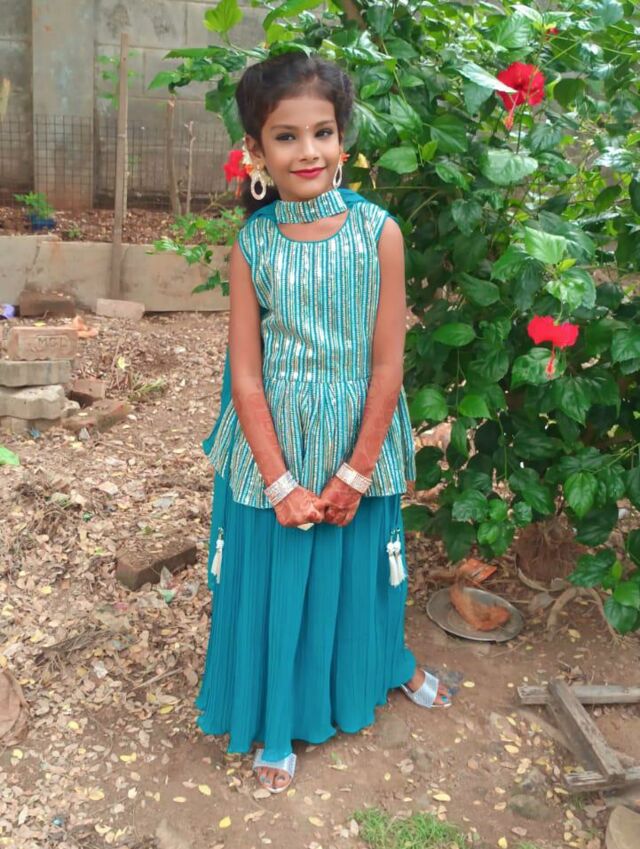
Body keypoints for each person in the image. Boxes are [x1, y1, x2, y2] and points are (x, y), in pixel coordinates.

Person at [195, 52, 453, 796]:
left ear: (343, 139)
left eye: (323, 132)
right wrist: (279, 482)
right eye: (286, 136)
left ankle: (381, 667)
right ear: (256, 150)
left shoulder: (379, 233)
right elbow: (246, 375)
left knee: (363, 571)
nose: (307, 151)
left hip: (356, 436)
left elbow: (388, 365)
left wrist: (358, 469)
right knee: (280, 578)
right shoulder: (254, 245)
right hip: (273, 440)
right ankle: (277, 719)